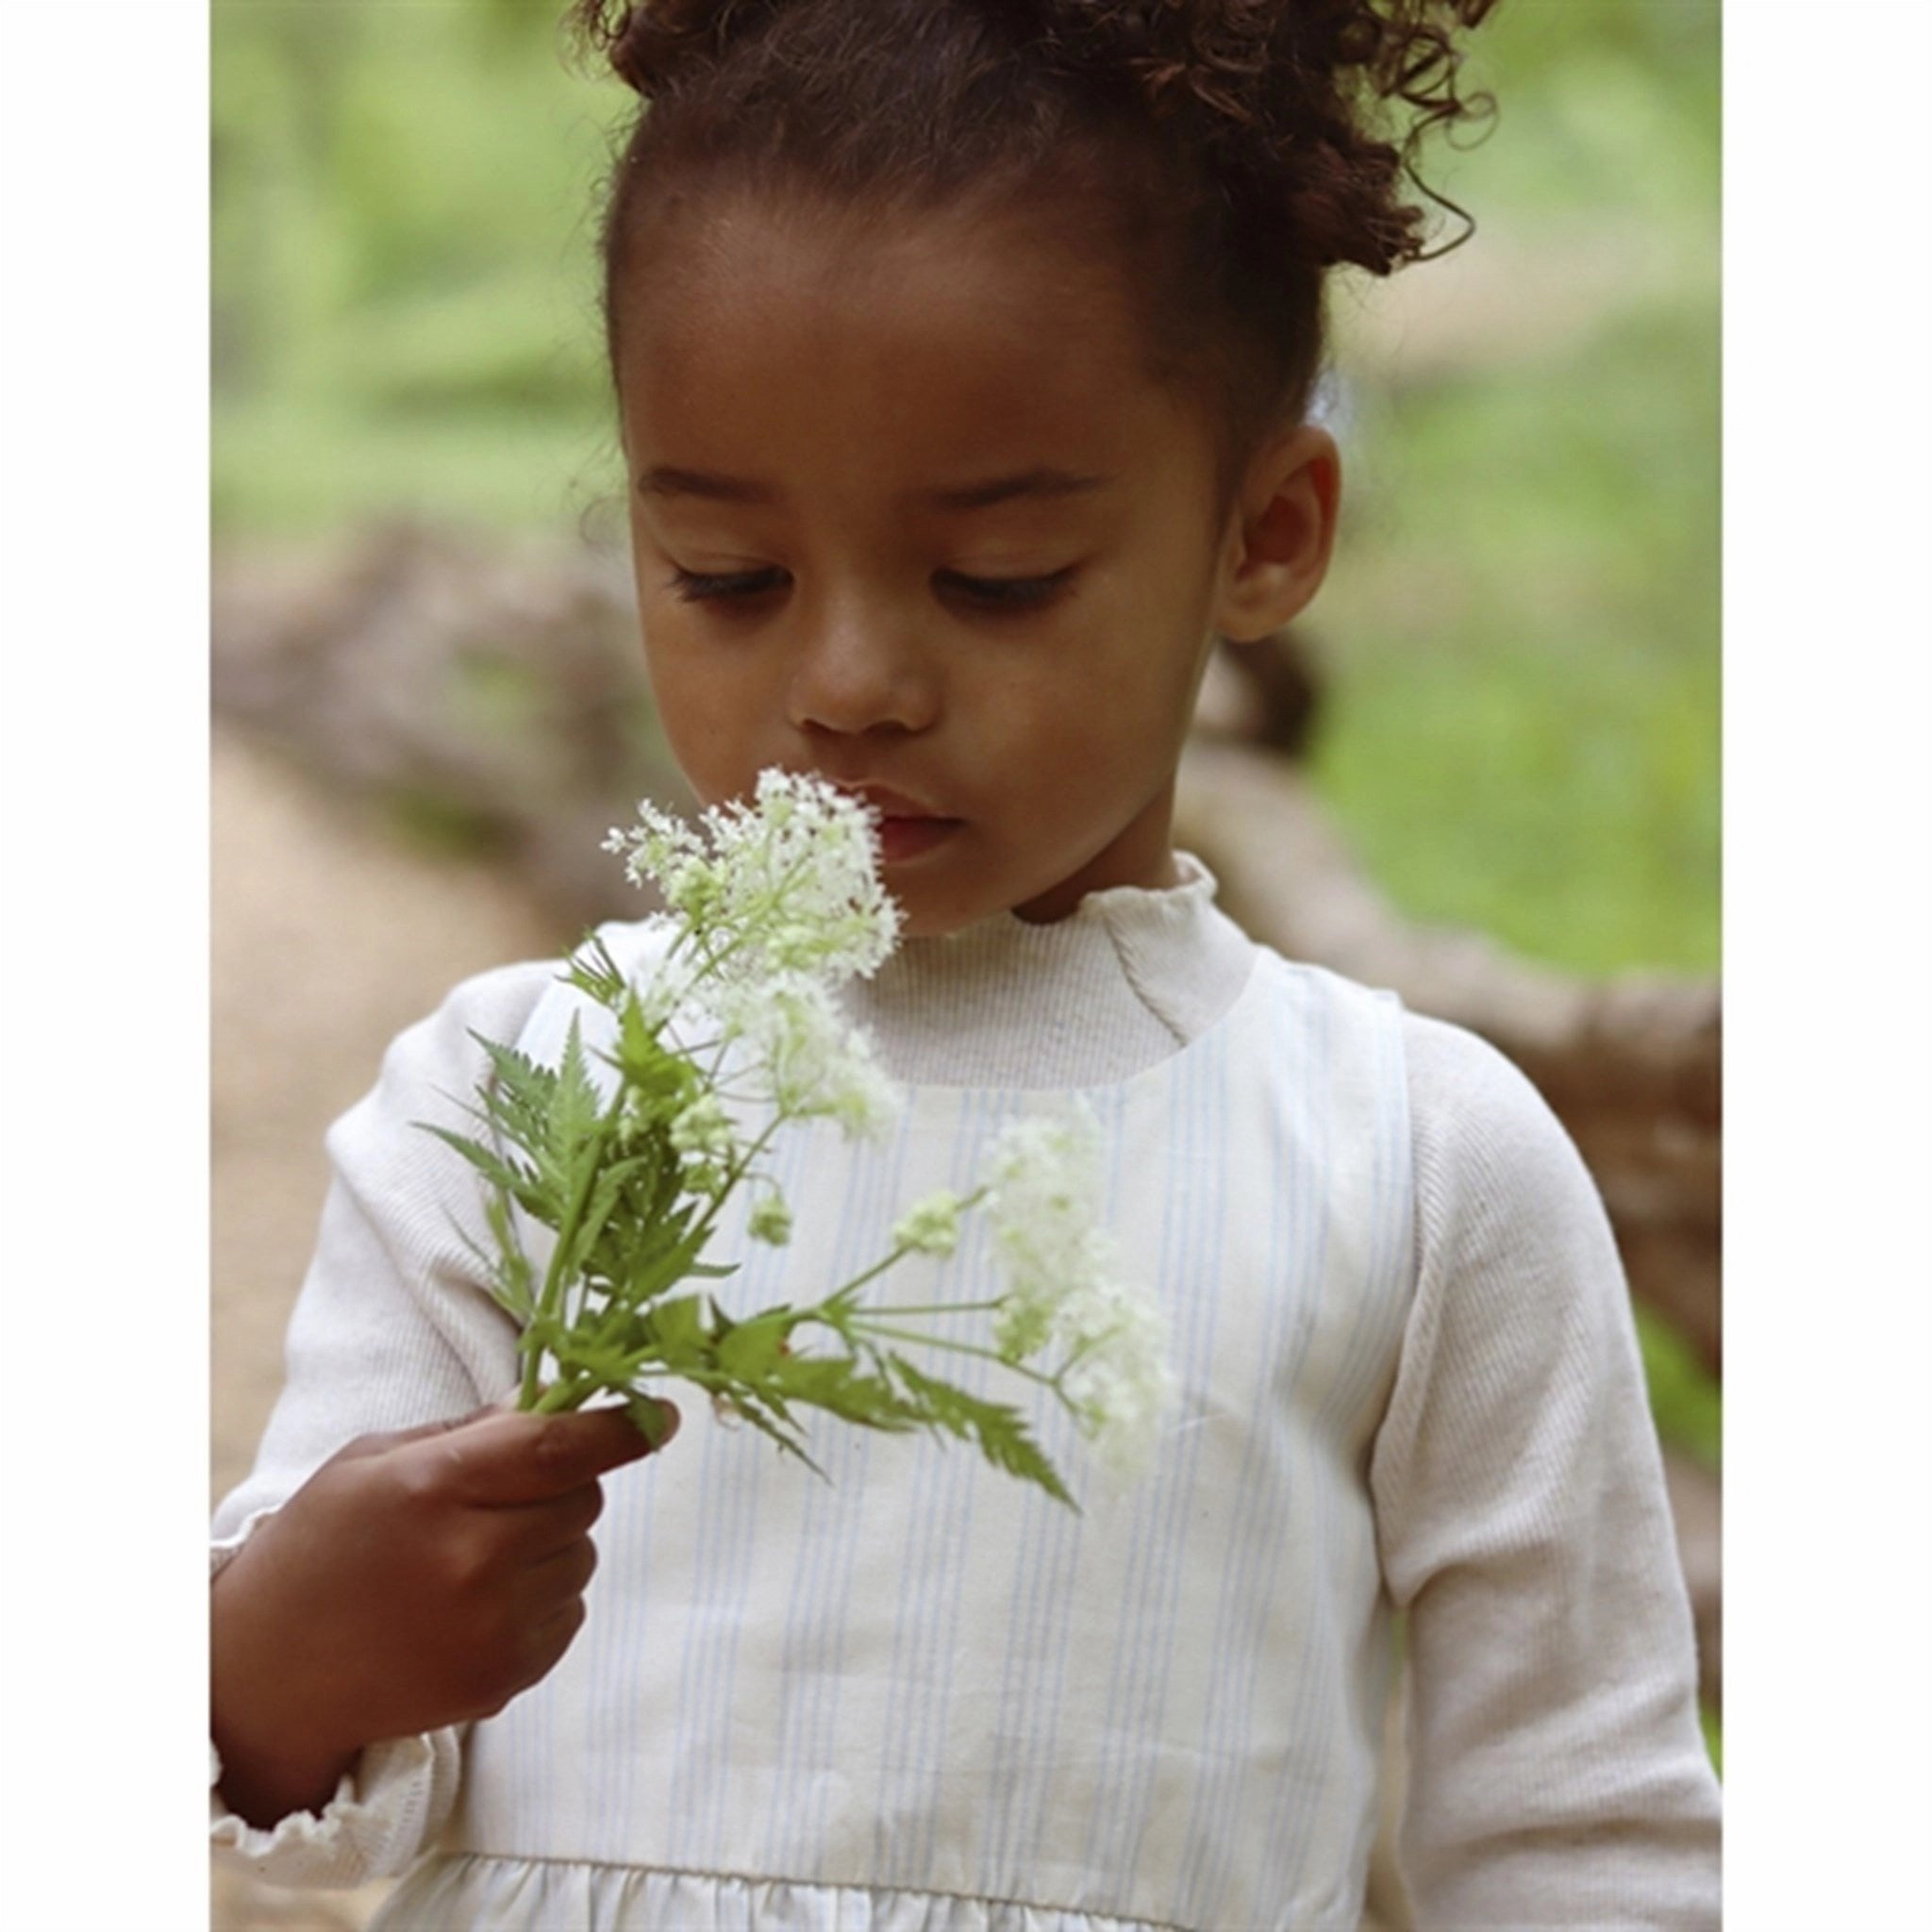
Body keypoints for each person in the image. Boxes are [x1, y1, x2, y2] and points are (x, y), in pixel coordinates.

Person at [210, 2, 1723, 1925]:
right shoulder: (523, 1093)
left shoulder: (1414, 1164)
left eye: (995, 581)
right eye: (728, 579)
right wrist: (267, 1659)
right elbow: (294, 1754)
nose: (846, 682)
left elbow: (1580, 1834)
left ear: (1262, 534)